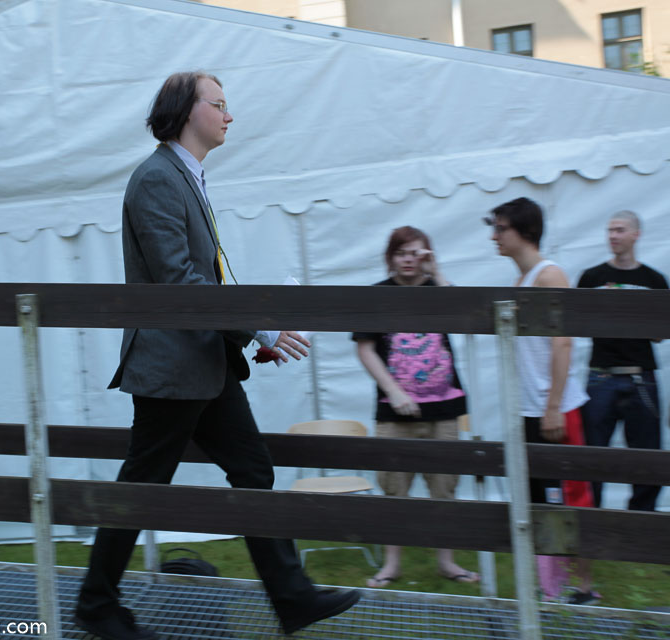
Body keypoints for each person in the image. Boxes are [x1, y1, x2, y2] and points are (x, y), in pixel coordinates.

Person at [74, 71, 361, 640]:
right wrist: (258, 330)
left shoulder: (184, 175)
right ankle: (96, 605)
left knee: (250, 470)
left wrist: (251, 334)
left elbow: (206, 281)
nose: (229, 116)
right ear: (187, 111)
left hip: (202, 361)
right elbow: (180, 282)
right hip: (172, 367)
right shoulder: (157, 178)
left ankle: (293, 598)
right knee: (142, 485)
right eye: (220, 104)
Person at [485, 197, 598, 605]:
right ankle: (550, 588)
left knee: (571, 495)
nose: (494, 236)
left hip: (557, 408)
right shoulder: (520, 281)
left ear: (526, 231)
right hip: (529, 408)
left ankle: (584, 587)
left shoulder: (550, 275)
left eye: (501, 228)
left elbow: (563, 343)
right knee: (538, 499)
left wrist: (553, 406)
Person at [352, 226, 478, 589]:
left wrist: (436, 272)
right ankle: (391, 566)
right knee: (394, 492)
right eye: (402, 252)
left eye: (416, 253)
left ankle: (447, 563)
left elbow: (463, 314)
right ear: (390, 257)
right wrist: (394, 392)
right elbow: (364, 349)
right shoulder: (376, 295)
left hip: (444, 411)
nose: (408, 260)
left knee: (445, 490)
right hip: (394, 413)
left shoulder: (438, 290)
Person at [577, 211, 667, 511]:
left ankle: (640, 522)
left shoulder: (654, 280)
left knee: (647, 457)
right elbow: (577, 323)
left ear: (636, 234)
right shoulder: (591, 278)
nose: (613, 236)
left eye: (619, 230)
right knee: (592, 456)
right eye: (610, 230)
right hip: (600, 376)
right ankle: (591, 520)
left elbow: (660, 335)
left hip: (641, 377)